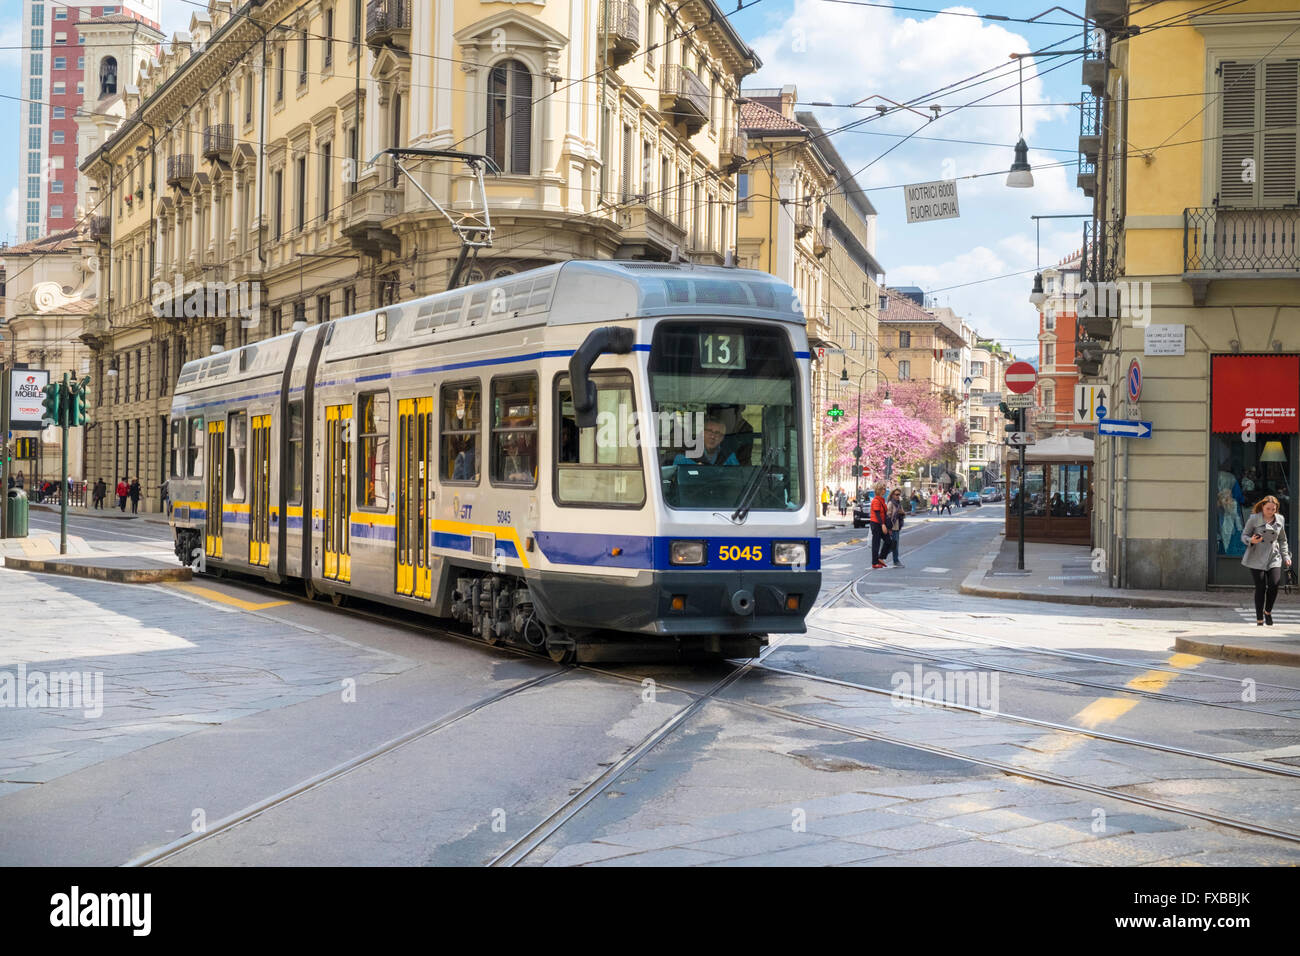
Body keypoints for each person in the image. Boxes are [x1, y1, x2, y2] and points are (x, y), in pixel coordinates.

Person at [1242, 495, 1291, 626]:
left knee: (1274, 585)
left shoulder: (1280, 519)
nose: (1271, 511)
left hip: (1274, 556)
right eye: (1268, 508)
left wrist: (1286, 556)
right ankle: (1259, 619)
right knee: (1261, 587)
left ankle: (1267, 611)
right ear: (1262, 507)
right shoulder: (1254, 519)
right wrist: (1251, 540)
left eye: (1273, 509)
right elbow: (1244, 535)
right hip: (1256, 556)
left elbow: (1282, 540)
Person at [674, 417, 738, 467]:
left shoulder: (729, 456)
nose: (713, 436)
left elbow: (738, 477)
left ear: (722, 438)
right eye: (709, 431)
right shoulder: (684, 455)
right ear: (702, 433)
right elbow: (676, 479)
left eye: (717, 433)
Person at [869, 482, 891, 569]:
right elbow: (877, 514)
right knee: (876, 544)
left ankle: (881, 558)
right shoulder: (876, 501)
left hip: (881, 524)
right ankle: (875, 562)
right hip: (876, 524)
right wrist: (882, 525)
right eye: (883, 489)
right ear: (879, 490)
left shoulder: (881, 499)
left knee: (888, 541)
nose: (885, 490)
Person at [883, 488, 906, 567]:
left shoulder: (899, 504)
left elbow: (903, 513)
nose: (898, 496)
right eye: (896, 494)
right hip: (892, 527)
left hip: (897, 527)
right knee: (894, 545)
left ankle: (882, 556)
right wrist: (888, 528)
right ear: (892, 495)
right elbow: (888, 516)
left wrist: (902, 512)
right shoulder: (890, 504)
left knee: (894, 544)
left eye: (899, 495)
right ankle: (895, 560)